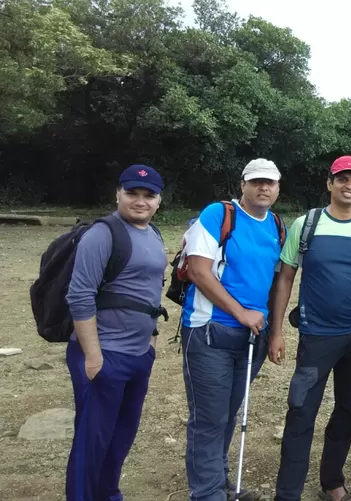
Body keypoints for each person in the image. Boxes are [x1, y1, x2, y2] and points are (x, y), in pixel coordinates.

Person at [271, 155, 351, 501]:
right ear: (329, 183)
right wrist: (277, 330)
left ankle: (332, 482)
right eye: (342, 179)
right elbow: (286, 278)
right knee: (300, 412)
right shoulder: (305, 225)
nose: (348, 185)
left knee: (347, 412)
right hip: (316, 337)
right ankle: (288, 492)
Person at [179, 158, 285, 501]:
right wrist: (241, 312)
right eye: (256, 182)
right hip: (209, 331)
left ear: (278, 187)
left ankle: (218, 482)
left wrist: (268, 327)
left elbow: (273, 281)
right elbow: (198, 270)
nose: (263, 188)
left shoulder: (277, 226)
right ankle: (208, 493)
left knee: (227, 414)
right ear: (243, 184)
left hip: (252, 336)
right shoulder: (219, 214)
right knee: (209, 417)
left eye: (270, 182)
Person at [64, 164, 168, 501]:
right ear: (118, 194)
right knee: (92, 441)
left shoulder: (153, 234)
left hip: (138, 355)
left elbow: (149, 290)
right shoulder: (102, 234)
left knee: (121, 436)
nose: (140, 201)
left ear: (158, 200)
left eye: (148, 195)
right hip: (104, 355)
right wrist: (93, 357)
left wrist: (150, 340)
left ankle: (108, 494)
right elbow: (79, 296)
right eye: (132, 193)